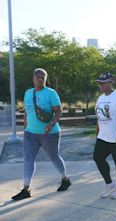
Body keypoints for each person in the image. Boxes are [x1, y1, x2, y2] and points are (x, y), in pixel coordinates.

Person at [12, 68, 71, 201]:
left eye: (42, 77)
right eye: (37, 76)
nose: (40, 79)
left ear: (45, 79)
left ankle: (65, 179)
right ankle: (26, 189)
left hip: (49, 133)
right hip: (30, 133)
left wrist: (50, 125)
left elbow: (58, 112)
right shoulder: (28, 93)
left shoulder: (51, 93)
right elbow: (27, 112)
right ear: (33, 78)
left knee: (54, 157)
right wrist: (25, 128)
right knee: (28, 160)